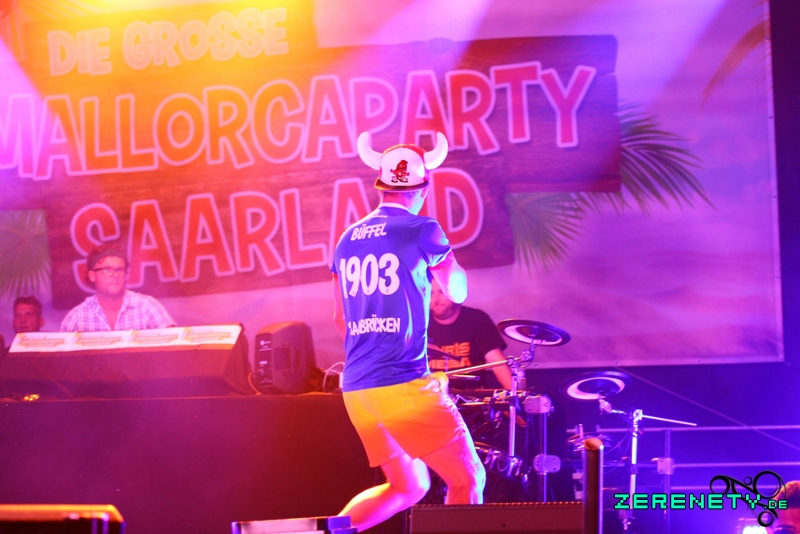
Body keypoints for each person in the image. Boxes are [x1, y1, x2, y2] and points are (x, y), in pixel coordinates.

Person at [331, 132, 485, 532]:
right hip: (402, 383)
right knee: (468, 479)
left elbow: (339, 319)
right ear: (424, 187)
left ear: (380, 186)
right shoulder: (423, 228)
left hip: (358, 389)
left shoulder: (346, 239)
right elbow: (457, 292)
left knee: (408, 486)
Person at [60, 244, 176, 332]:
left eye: (119, 270)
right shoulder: (77, 317)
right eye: (107, 270)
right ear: (92, 275)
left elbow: (175, 345)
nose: (115, 275)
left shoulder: (147, 306)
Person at [427, 279, 513, 390]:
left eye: (442, 292)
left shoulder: (477, 319)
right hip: (430, 397)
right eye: (431, 293)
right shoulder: (418, 323)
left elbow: (497, 363)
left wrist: (516, 396)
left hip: (472, 396)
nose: (435, 300)